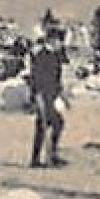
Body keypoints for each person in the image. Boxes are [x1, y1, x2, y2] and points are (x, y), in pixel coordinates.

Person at [28, 26, 67, 167]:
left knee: (50, 125)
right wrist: (37, 98)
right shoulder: (41, 56)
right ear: (52, 40)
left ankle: (42, 157)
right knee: (49, 125)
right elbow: (36, 79)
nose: (61, 44)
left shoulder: (55, 56)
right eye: (59, 41)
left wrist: (62, 95)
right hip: (43, 96)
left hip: (51, 96)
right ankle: (45, 157)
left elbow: (57, 79)